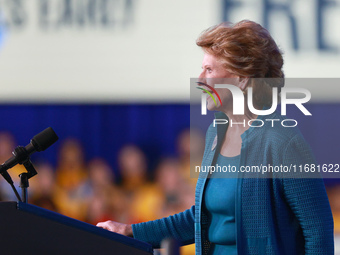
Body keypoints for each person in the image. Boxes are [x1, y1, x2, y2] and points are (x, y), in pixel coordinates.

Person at [97, 20, 334, 254]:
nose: (200, 79)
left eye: (209, 70)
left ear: (242, 79)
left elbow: (318, 232)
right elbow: (201, 220)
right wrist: (130, 231)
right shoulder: (215, 132)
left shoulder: (282, 140)